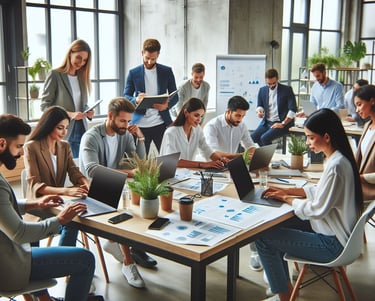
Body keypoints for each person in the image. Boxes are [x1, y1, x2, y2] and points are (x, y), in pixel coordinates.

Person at [255, 108, 363, 301]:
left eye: (311, 138)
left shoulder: (336, 166)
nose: (307, 143)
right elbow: (317, 192)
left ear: (327, 137)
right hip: (334, 233)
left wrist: (287, 199)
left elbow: (316, 209)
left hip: (333, 244)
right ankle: (283, 287)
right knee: (276, 225)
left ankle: (284, 295)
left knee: (263, 238)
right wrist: (286, 191)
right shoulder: (338, 159)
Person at [0, 114, 99, 301]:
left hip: (10, 256)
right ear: (2, 144)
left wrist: (36, 203)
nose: (21, 153)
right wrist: (60, 219)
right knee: (86, 259)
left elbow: (4, 207)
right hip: (11, 266)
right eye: (19, 146)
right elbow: (19, 233)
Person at [79, 97, 155, 288]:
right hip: (93, 190)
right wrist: (129, 173)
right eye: (123, 121)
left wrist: (140, 138)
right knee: (125, 211)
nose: (126, 125)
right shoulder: (92, 136)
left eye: (129, 121)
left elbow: (139, 164)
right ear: (110, 116)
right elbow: (92, 171)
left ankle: (121, 242)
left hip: (118, 186)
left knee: (146, 198)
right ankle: (128, 262)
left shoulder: (126, 134)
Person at [203, 95, 262, 270]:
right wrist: (244, 156)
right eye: (238, 116)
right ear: (228, 112)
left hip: (232, 169)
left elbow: (249, 144)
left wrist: (256, 153)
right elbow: (215, 155)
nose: (240, 120)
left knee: (253, 201)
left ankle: (255, 251)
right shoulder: (212, 126)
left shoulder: (241, 126)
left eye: (243, 116)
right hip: (213, 171)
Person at [23, 106, 90, 247]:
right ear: (49, 126)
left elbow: (74, 171)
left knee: (73, 221)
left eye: (66, 128)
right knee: (33, 250)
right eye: (60, 128)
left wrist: (85, 182)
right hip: (38, 206)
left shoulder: (64, 146)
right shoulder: (31, 147)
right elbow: (36, 185)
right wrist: (66, 191)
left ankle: (63, 261)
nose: (64, 132)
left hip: (58, 204)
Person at [123, 38, 178, 155]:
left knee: (168, 158)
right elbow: (125, 96)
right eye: (147, 58)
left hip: (161, 123)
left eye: (153, 59)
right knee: (139, 163)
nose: (149, 62)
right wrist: (135, 99)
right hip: (139, 125)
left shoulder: (166, 71)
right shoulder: (133, 73)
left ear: (158, 54)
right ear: (142, 53)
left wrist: (166, 105)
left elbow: (175, 95)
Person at [41, 39, 93, 158]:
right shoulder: (55, 75)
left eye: (85, 60)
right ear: (70, 53)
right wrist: (69, 114)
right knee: (66, 167)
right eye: (78, 57)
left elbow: (81, 104)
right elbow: (45, 106)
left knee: (80, 165)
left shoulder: (82, 77)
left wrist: (88, 110)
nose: (81, 62)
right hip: (63, 129)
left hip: (81, 128)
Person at [160, 97, 237, 169]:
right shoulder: (171, 132)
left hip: (187, 174)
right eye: (196, 115)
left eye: (201, 116)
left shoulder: (197, 130)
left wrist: (221, 159)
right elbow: (173, 161)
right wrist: (202, 164)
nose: (199, 120)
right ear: (186, 112)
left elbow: (206, 150)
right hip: (170, 176)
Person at [251, 68, 297, 146]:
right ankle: (265, 154)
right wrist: (259, 111)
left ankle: (267, 156)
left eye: (273, 83)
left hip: (282, 123)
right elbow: (260, 105)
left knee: (264, 138)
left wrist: (283, 123)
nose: (271, 86)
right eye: (269, 83)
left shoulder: (287, 90)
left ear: (277, 79)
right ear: (266, 80)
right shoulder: (262, 90)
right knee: (253, 138)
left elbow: (293, 109)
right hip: (267, 122)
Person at [354, 85, 375, 201]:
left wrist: (359, 178)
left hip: (371, 195)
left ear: (372, 101)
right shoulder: (367, 126)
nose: (357, 110)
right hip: (360, 191)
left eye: (359, 104)